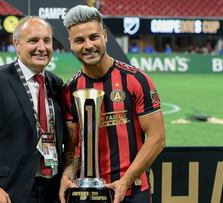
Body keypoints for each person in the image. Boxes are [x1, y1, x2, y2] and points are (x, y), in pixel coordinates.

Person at [59, 5, 165, 203]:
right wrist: (68, 174)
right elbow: (72, 149)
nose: (88, 45)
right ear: (70, 44)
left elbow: (157, 138)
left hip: (133, 191)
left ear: (105, 36)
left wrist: (125, 181)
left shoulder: (136, 79)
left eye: (93, 37)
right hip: (86, 193)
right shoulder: (69, 91)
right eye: (79, 40)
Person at [0, 16, 64, 203]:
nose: (42, 47)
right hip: (8, 192)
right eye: (33, 40)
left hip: (51, 191)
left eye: (47, 41)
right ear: (17, 45)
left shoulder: (55, 84)